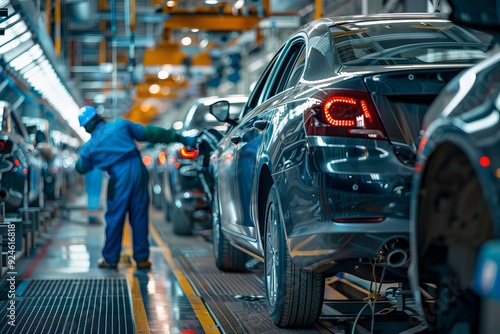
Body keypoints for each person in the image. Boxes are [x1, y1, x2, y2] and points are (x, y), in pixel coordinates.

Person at [74, 106, 196, 270]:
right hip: (137, 169)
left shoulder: (89, 148)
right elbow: (151, 133)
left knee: (115, 217)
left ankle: (110, 258)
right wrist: (181, 138)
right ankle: (142, 259)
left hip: (117, 177)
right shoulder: (120, 125)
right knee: (139, 214)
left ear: (86, 128)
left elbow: (82, 167)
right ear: (99, 117)